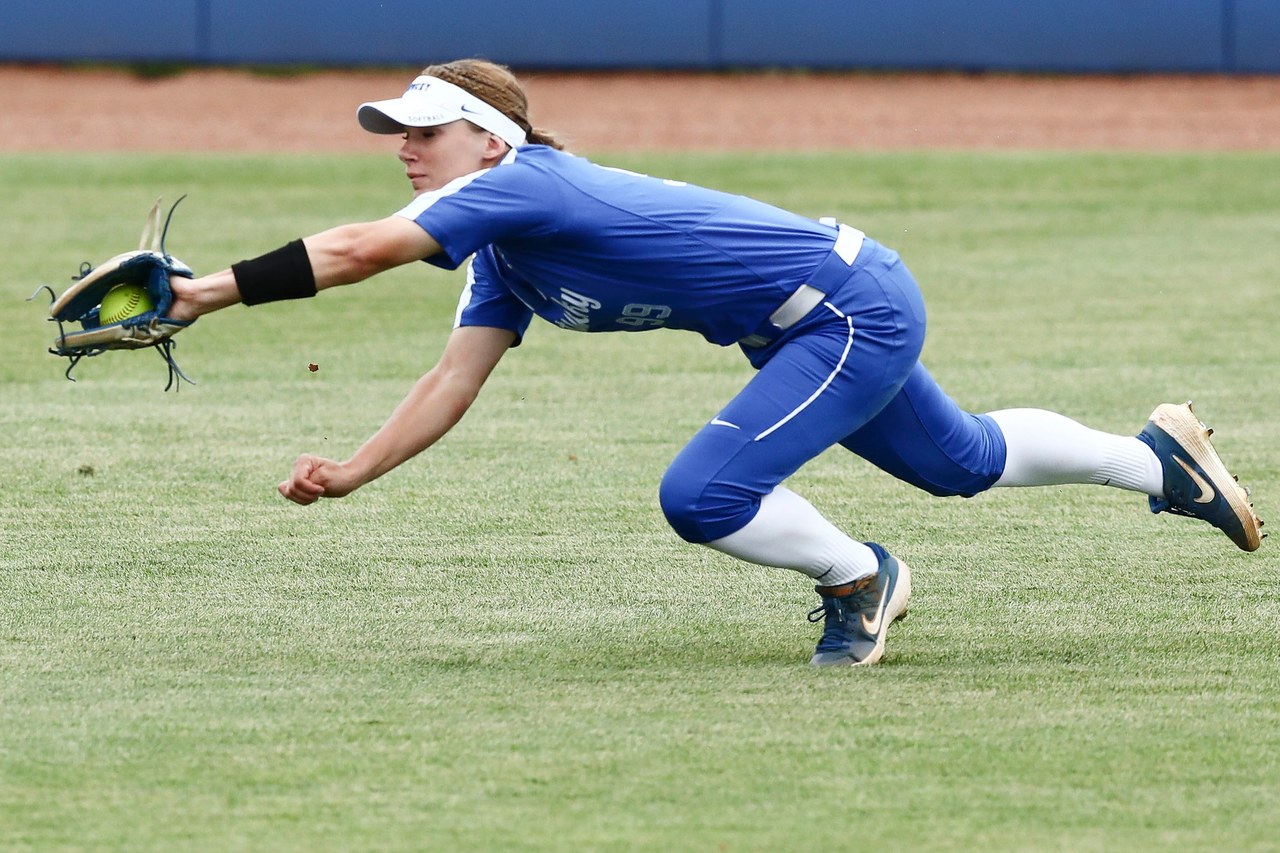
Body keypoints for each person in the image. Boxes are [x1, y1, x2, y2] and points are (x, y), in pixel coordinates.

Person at [168, 60, 1264, 667]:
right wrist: (356, 471)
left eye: (422, 132)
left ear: (488, 141)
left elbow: (357, 249)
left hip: (843, 307)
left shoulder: (526, 184)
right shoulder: (501, 245)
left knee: (703, 494)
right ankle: (1157, 460)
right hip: (812, 317)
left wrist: (208, 289)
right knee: (957, 461)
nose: (402, 147)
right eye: (394, 133)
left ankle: (858, 576)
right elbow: (451, 380)